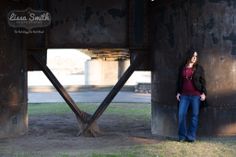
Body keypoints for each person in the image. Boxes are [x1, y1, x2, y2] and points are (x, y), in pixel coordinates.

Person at [176, 50, 207, 142]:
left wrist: (204, 93)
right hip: (184, 96)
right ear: (189, 56)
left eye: (196, 56)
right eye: (193, 56)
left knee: (194, 116)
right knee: (181, 114)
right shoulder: (182, 67)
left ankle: (191, 137)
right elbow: (179, 81)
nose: (194, 58)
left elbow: (203, 82)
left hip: (196, 96)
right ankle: (182, 136)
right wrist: (178, 92)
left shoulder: (199, 68)